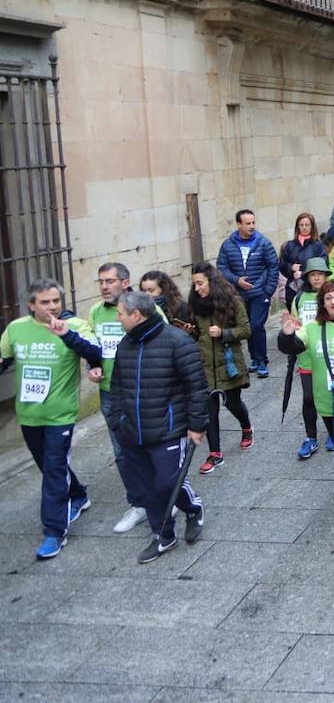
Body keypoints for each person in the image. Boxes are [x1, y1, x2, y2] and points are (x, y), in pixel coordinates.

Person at [1, 278, 102, 559]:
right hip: (29, 414)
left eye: (56, 301)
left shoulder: (76, 326)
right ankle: (79, 495)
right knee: (48, 466)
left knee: (55, 468)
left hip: (61, 414)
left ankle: (55, 532)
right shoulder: (16, 329)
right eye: (45, 302)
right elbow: (3, 359)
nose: (53, 307)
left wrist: (67, 335)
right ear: (31, 305)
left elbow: (96, 354)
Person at [107, 290, 209, 564]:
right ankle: (163, 535)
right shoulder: (125, 344)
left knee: (168, 482)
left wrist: (197, 425)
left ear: (136, 315)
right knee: (148, 487)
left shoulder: (177, 341)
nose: (117, 318)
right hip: (132, 432)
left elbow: (197, 387)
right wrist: (118, 420)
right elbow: (116, 386)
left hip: (169, 430)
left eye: (120, 313)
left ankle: (192, 507)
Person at [279, 279, 334, 520]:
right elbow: (293, 346)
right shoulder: (313, 328)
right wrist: (287, 334)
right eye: (328, 298)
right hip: (328, 401)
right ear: (323, 303)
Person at [87, 262, 147, 534]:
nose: (104, 286)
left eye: (110, 281)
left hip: (141, 391)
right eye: (101, 281)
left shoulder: (145, 306)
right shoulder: (95, 312)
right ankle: (139, 504)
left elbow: (162, 344)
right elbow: (93, 348)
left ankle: (167, 497)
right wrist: (93, 366)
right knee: (122, 453)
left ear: (125, 282)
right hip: (110, 392)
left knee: (151, 447)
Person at [188, 263, 254, 475]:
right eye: (194, 284)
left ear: (212, 282)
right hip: (205, 365)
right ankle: (215, 454)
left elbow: (246, 330)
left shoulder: (232, 301)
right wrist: (190, 331)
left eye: (200, 283)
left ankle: (246, 427)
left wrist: (224, 333)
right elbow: (198, 334)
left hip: (229, 364)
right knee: (210, 410)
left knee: (233, 403)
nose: (197, 288)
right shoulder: (195, 304)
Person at [216, 208, 276, 377]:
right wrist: (236, 280)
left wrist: (268, 290)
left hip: (259, 293)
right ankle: (255, 359)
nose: (251, 226)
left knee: (257, 326)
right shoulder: (228, 245)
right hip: (238, 295)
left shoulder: (263, 243)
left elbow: (273, 266)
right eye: (248, 223)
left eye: (253, 222)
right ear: (239, 224)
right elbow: (221, 268)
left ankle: (262, 360)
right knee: (247, 327)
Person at [279, 212, 327, 308]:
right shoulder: (289, 245)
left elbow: (323, 264)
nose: (304, 227)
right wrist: (291, 267)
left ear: (312, 227)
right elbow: (281, 264)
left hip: (311, 287)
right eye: (301, 225)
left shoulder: (318, 246)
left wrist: (303, 272)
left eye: (307, 225)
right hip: (292, 288)